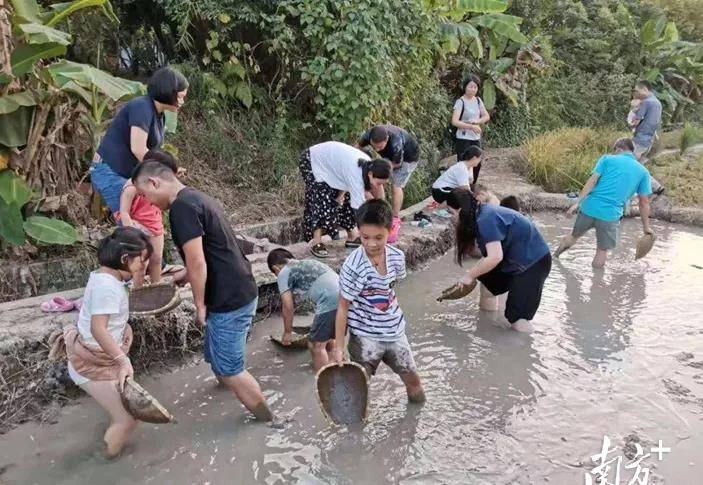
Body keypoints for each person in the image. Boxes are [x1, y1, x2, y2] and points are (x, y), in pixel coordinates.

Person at [131, 161, 274, 422]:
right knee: (217, 358)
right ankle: (227, 389)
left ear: (154, 182)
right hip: (239, 285)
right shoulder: (197, 198)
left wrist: (199, 305)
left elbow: (197, 261)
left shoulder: (181, 208)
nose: (149, 203)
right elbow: (214, 250)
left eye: (145, 195)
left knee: (231, 370)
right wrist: (184, 276)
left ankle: (270, 421)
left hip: (228, 298)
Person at [63, 227, 152, 458]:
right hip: (91, 365)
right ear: (124, 259)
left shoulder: (104, 276)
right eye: (141, 262)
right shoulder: (108, 287)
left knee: (125, 414)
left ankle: (108, 446)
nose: (142, 267)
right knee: (128, 420)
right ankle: (105, 463)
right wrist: (123, 361)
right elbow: (98, 328)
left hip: (95, 355)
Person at [332, 199, 425, 403]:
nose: (371, 244)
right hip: (365, 338)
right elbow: (342, 307)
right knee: (357, 395)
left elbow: (390, 288)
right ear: (358, 231)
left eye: (378, 237)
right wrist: (339, 347)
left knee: (415, 386)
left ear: (389, 231)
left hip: (395, 332)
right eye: (365, 237)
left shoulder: (397, 258)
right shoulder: (353, 266)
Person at [92, 66, 188, 217]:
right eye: (180, 97)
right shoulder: (141, 107)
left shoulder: (160, 116)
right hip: (110, 171)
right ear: (168, 92)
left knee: (148, 220)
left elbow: (154, 153)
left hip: (131, 177)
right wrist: (165, 171)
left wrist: (170, 170)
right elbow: (138, 149)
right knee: (135, 221)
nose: (182, 102)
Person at [454, 191, 552, 333]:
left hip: (533, 263)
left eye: (453, 213)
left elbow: (495, 257)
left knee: (517, 319)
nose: (454, 217)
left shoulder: (485, 219)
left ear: (462, 211)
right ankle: (487, 323)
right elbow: (489, 254)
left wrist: (469, 275)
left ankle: (526, 349)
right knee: (487, 281)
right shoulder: (481, 214)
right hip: (514, 259)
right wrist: (474, 274)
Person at [554, 138, 653, 268]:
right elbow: (644, 201)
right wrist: (646, 227)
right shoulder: (643, 172)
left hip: (589, 208)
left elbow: (592, 181)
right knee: (602, 250)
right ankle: (597, 284)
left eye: (614, 150)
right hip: (610, 215)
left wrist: (577, 203)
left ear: (619, 148)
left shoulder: (606, 159)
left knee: (573, 236)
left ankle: (554, 258)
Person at [299, 141, 391, 258]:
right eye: (378, 183)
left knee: (344, 200)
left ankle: (352, 237)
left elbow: (344, 176)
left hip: (331, 166)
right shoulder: (357, 174)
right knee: (322, 202)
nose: (377, 187)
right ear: (371, 175)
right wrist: (373, 235)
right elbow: (359, 211)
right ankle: (316, 242)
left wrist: (340, 195)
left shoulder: (368, 166)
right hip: (312, 161)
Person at [267, 248, 339, 371]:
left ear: (275, 269)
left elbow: (288, 306)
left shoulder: (283, 272)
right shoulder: (305, 264)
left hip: (330, 299)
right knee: (328, 338)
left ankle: (324, 381)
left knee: (315, 345)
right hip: (344, 294)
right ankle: (336, 364)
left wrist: (288, 332)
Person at [119, 149, 178, 288]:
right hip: (136, 226)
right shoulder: (132, 186)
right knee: (140, 264)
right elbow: (124, 211)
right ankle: (138, 291)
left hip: (154, 224)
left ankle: (156, 287)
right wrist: (132, 232)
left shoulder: (161, 185)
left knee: (156, 258)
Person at [358, 125, 421, 243]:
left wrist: (382, 174)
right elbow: (357, 147)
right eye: (374, 146)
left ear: (386, 139)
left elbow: (396, 164)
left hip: (407, 159)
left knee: (396, 185)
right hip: (389, 157)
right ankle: (380, 208)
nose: (377, 150)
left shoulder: (396, 142)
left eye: (380, 147)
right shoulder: (368, 135)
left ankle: (395, 218)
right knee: (377, 177)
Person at [451, 75, 490, 184]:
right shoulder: (460, 102)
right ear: (465, 87)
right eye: (470, 87)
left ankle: (472, 188)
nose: (473, 89)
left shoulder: (478, 101)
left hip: (475, 138)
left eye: (475, 87)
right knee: (463, 164)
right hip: (463, 138)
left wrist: (476, 122)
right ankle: (461, 190)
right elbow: (454, 121)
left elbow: (486, 116)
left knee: (477, 163)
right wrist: (471, 126)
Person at [629, 80, 664, 194]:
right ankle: (654, 188)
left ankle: (654, 187)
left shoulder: (646, 102)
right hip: (649, 140)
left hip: (640, 140)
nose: (637, 93)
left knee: (629, 164)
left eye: (638, 90)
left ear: (644, 89)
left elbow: (634, 122)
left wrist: (632, 111)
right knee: (639, 166)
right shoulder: (657, 103)